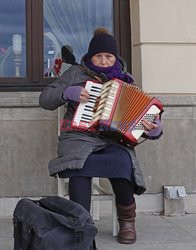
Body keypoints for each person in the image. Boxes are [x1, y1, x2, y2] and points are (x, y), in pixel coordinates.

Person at [39, 28, 163, 245]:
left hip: (112, 140)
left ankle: (127, 221)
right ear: (90, 57)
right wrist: (67, 93)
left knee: (123, 161)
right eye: (98, 56)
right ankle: (81, 225)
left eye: (108, 56)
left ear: (115, 58)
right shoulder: (75, 74)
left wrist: (152, 128)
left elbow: (141, 117)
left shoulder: (125, 81)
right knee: (79, 165)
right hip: (78, 136)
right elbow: (45, 99)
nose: (104, 61)